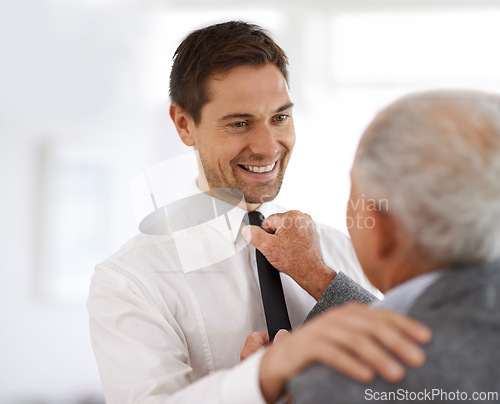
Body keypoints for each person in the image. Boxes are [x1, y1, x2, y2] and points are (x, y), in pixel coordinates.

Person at [87, 21, 430, 403]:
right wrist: (259, 383)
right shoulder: (131, 280)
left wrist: (319, 276)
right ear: (185, 125)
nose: (268, 147)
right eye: (239, 123)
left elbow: (423, 379)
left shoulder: (338, 251)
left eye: (280, 118)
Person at [242, 89, 500, 403]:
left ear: (382, 228)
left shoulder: (335, 386)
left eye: (355, 191)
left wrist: (263, 387)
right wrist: (318, 276)